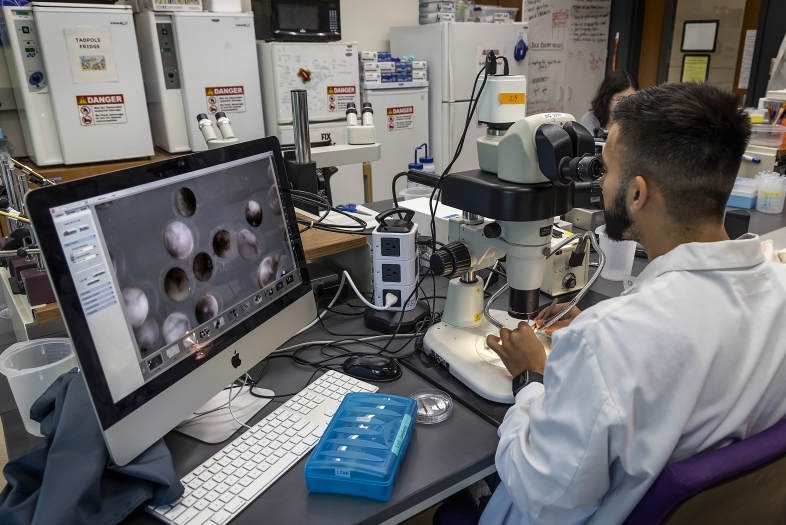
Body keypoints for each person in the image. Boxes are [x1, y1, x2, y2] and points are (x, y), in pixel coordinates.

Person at [477, 82, 786, 525]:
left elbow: (538, 493)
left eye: (605, 170)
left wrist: (531, 377)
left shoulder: (610, 338)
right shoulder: (779, 287)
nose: (599, 182)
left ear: (638, 194)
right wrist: (594, 349)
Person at [579, 70, 638, 137]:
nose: (627, 105)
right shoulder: (590, 120)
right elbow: (587, 146)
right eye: (620, 99)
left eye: (632, 100)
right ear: (607, 99)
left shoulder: (636, 123)